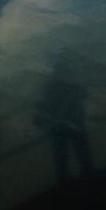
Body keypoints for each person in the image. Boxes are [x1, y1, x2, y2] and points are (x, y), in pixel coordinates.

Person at [34, 53, 93, 183]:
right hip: (76, 126)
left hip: (58, 128)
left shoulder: (49, 86)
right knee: (84, 158)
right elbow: (85, 94)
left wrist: (41, 121)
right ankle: (89, 183)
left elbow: (41, 105)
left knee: (61, 161)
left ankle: (64, 187)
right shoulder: (74, 84)